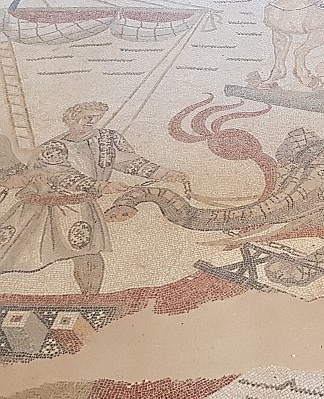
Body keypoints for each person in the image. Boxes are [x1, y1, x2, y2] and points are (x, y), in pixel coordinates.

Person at [0, 102, 189, 294]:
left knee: (88, 251)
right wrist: (101, 186)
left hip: (82, 206)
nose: (90, 122)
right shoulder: (54, 148)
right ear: (70, 119)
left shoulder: (108, 139)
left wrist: (164, 173)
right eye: (85, 117)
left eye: (95, 118)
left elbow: (131, 162)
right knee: (12, 248)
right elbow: (61, 176)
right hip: (43, 207)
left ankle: (90, 296)